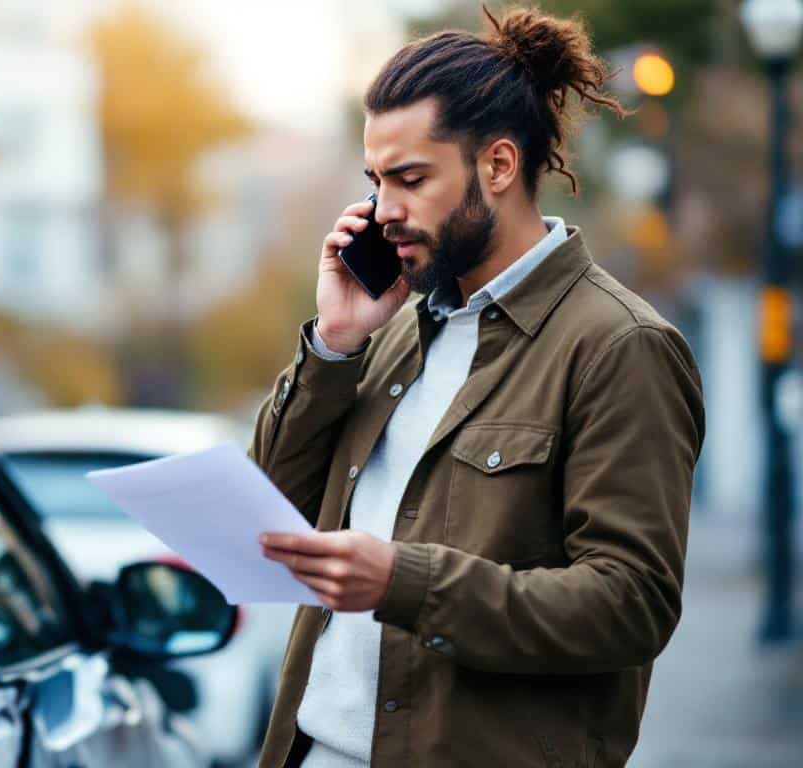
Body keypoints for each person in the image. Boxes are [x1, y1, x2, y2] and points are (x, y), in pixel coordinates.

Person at [249, 7, 705, 767]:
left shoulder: (620, 347)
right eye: (375, 180)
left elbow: (632, 604)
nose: (382, 210)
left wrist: (408, 581)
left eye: (411, 178)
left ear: (497, 166)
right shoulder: (390, 331)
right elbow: (271, 510)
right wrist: (334, 343)